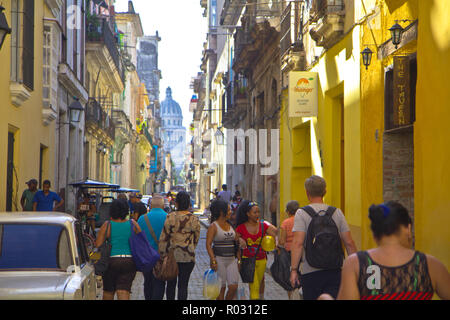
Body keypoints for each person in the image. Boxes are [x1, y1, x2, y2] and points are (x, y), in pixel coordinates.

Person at [318, 201, 450, 300]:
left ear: (375, 235)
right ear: (408, 229)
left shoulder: (356, 264)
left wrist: (326, 298)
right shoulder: (430, 265)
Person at [290, 175, 358, 300]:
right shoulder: (336, 212)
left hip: (310, 272)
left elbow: (298, 243)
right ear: (325, 191)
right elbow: (349, 243)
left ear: (307, 192)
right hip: (335, 270)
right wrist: (356, 269)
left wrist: (294, 270)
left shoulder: (302, 213)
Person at [95, 198, 141, 300]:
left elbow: (98, 244)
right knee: (124, 291)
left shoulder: (107, 225)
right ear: (126, 211)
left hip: (111, 261)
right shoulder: (133, 224)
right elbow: (141, 241)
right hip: (129, 261)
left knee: (108, 291)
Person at [158, 191, 201, 300]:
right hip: (188, 256)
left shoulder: (170, 217)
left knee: (171, 285)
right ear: (188, 204)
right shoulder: (194, 219)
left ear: (176, 203)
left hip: (172, 256)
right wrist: (190, 247)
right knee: (183, 285)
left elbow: (164, 238)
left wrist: (162, 254)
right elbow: (196, 239)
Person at [235, 200, 277, 300]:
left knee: (260, 281)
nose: (257, 214)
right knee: (254, 285)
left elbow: (277, 233)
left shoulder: (263, 225)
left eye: (258, 212)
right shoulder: (241, 227)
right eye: (255, 212)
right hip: (247, 260)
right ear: (248, 214)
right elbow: (234, 240)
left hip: (262, 260)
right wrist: (239, 240)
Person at [206, 199, 241, 300]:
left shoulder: (231, 225)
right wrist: (213, 260)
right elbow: (208, 244)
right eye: (229, 210)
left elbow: (236, 242)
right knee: (221, 288)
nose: (231, 212)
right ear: (222, 212)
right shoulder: (213, 226)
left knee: (233, 286)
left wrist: (239, 259)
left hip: (232, 260)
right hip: (219, 260)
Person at [137, 195, 168, 300]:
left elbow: (137, 238)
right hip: (162, 257)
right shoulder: (168, 218)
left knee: (148, 282)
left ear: (150, 206)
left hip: (147, 257)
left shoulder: (142, 218)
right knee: (160, 282)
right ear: (163, 206)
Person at [278, 200, 301, 300]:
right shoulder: (302, 221)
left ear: (288, 211)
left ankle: (291, 297)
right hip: (301, 252)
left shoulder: (286, 223)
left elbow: (282, 241)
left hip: (289, 254)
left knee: (290, 277)